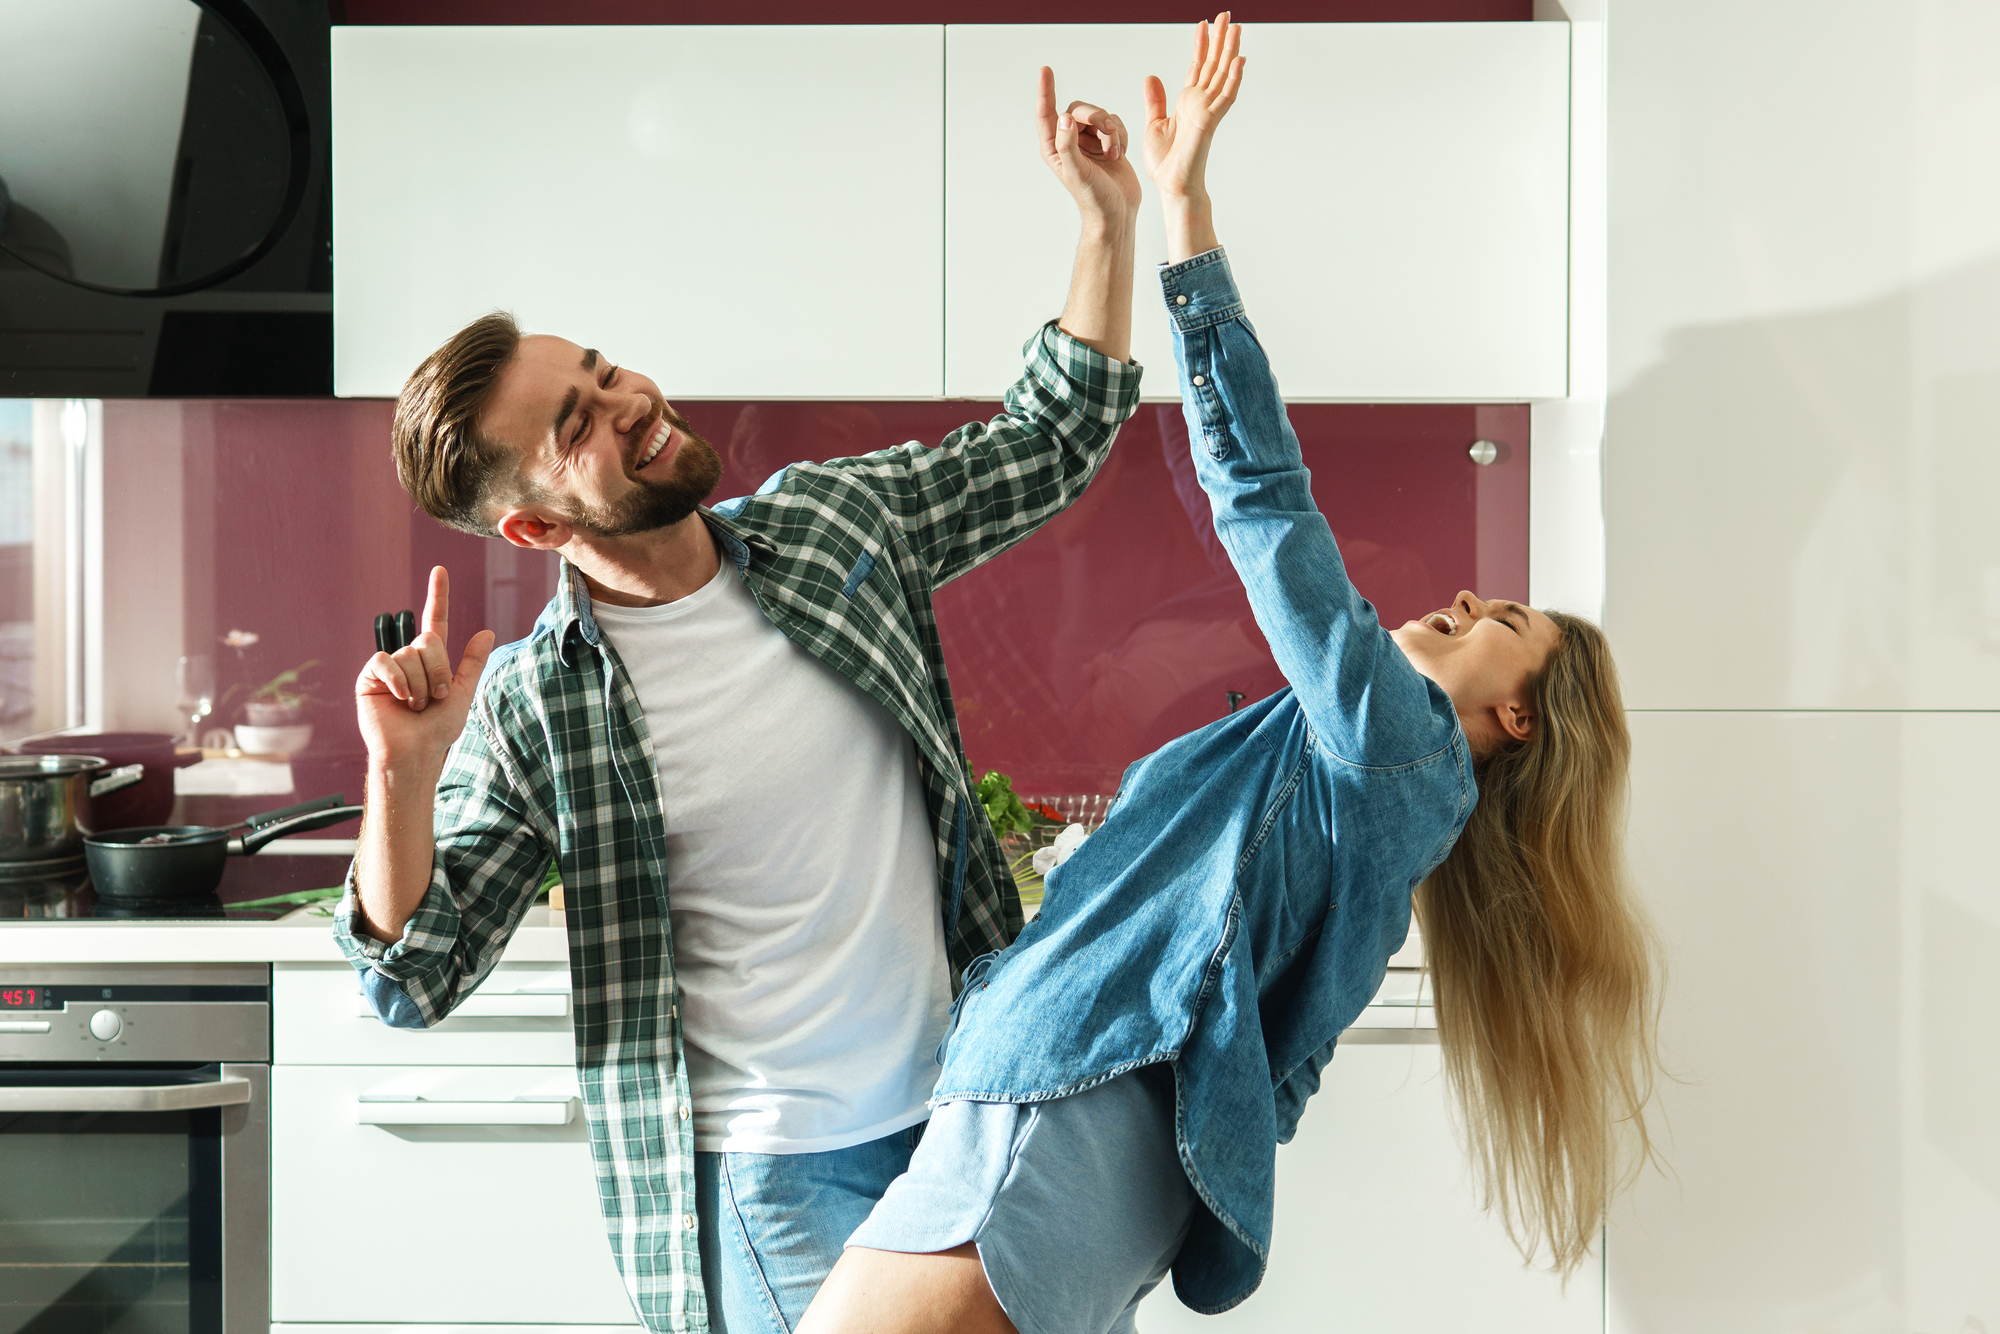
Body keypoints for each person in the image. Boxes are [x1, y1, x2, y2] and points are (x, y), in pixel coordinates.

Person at [797, 16, 1661, 1334]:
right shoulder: (1367, 799)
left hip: (1059, 1098)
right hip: (1074, 1114)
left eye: (1499, 618)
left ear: (1517, 710)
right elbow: (1277, 1056)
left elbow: (1258, 497)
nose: (1459, 600)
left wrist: (1187, 214)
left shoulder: (1402, 748)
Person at [335, 68, 1148, 1334]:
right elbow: (413, 974)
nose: (628, 400)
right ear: (541, 521)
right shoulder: (538, 707)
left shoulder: (832, 525)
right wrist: (399, 775)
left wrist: (1104, 222)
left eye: (601, 370)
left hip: (973, 1107)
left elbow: (1050, 438)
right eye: (577, 419)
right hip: (776, 1176)